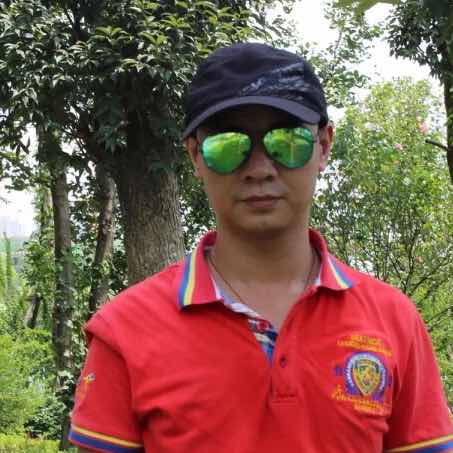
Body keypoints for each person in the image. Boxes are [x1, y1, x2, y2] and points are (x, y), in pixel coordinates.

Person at [69, 42, 453, 453]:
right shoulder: (124, 331)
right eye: (227, 146)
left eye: (287, 141)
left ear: (324, 145)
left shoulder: (394, 322)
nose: (259, 169)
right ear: (196, 156)